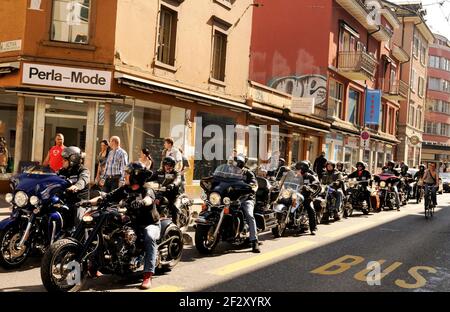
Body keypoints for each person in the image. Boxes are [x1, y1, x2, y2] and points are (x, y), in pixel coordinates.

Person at [87, 162, 158, 289]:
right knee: (106, 232)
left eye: (127, 173)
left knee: (149, 236)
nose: (124, 175)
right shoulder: (125, 189)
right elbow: (107, 197)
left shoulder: (147, 189)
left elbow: (149, 199)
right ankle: (94, 265)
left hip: (148, 223)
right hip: (131, 221)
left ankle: (148, 275)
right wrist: (87, 202)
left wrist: (141, 202)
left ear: (135, 176)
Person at [233, 154, 260, 252]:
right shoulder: (229, 172)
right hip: (231, 199)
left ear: (241, 163)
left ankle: (254, 241)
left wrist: (252, 188)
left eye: (236, 163)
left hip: (246, 198)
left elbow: (254, 184)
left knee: (249, 215)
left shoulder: (248, 173)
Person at [57, 146, 90, 226]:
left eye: (65, 160)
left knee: (79, 219)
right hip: (65, 201)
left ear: (72, 161)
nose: (62, 161)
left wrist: (76, 186)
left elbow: (83, 180)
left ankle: (79, 237)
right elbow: (54, 178)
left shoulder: (83, 170)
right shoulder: (62, 171)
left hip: (79, 202)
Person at [148, 156, 182, 225]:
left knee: (174, 207)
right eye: (166, 165)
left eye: (170, 166)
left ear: (173, 166)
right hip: (162, 192)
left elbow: (178, 180)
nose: (168, 167)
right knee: (153, 202)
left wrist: (173, 184)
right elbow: (150, 177)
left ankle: (176, 225)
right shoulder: (159, 172)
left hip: (173, 194)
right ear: (163, 165)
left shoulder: (176, 173)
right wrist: (141, 180)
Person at [290, 161, 319, 235]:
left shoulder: (310, 177)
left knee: (310, 209)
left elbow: (318, 186)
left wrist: (311, 195)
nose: (297, 170)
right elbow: (287, 183)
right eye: (297, 169)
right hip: (294, 195)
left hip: (306, 197)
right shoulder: (294, 176)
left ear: (304, 169)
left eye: (299, 169)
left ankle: (313, 228)